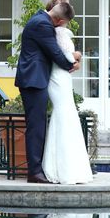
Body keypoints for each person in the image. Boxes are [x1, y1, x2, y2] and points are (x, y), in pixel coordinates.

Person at [15, 1, 82, 184]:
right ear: (60, 21)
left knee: (37, 125)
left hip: (35, 79)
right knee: (36, 127)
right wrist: (72, 64)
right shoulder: (43, 24)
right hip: (34, 81)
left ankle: (37, 170)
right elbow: (55, 53)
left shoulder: (39, 19)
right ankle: (34, 173)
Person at [42, 23, 93, 184]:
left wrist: (76, 58)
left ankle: (70, 166)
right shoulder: (58, 32)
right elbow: (65, 56)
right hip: (58, 76)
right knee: (63, 114)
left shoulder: (61, 32)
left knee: (67, 115)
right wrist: (77, 55)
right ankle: (60, 168)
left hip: (63, 76)